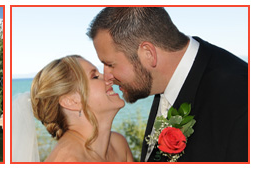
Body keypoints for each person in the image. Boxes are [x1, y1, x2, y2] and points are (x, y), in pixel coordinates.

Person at [88, 7, 247, 162]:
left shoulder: (241, 102)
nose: (106, 76)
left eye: (110, 64)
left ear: (148, 54)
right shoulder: (161, 82)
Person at [30, 55, 133, 162]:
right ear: (70, 101)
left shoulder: (118, 144)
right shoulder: (69, 161)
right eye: (94, 76)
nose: (109, 77)